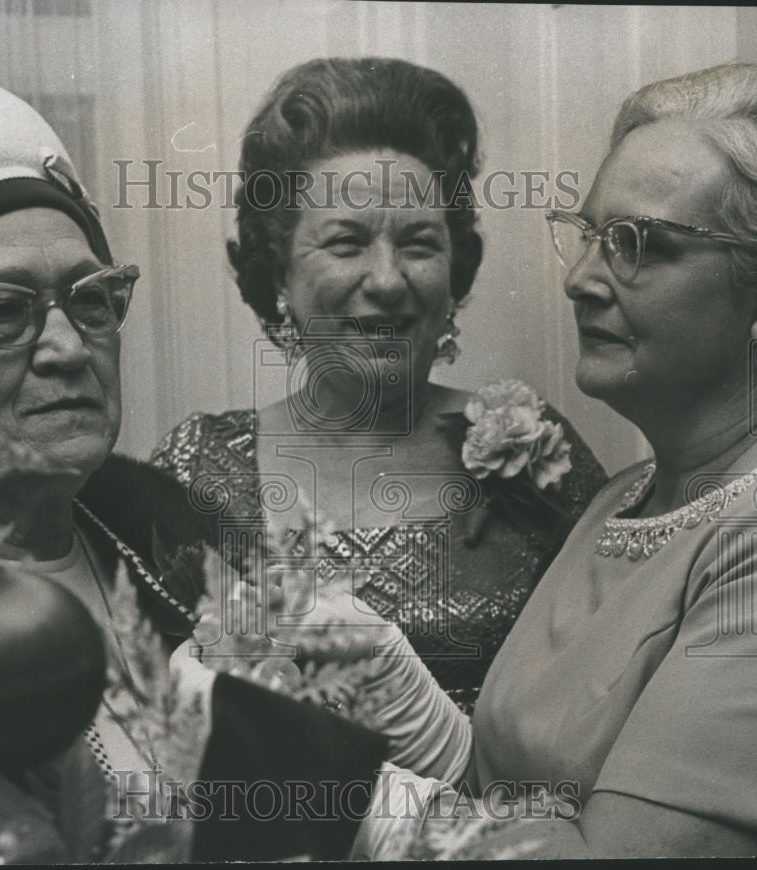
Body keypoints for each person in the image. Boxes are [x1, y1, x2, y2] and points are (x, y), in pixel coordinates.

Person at [0, 77, 387, 864]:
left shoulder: (178, 540)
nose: (67, 349)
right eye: (2, 310)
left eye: (91, 300)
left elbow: (354, 809)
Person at [335, 61, 757, 859]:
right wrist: (397, 698)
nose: (579, 279)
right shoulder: (627, 497)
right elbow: (516, 792)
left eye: (638, 244)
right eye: (590, 235)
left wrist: (343, 797)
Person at [152, 57, 607, 715]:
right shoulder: (199, 467)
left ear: (455, 271)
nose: (389, 280)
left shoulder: (534, 453)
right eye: (346, 243)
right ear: (279, 273)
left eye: (419, 243)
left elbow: (611, 688)